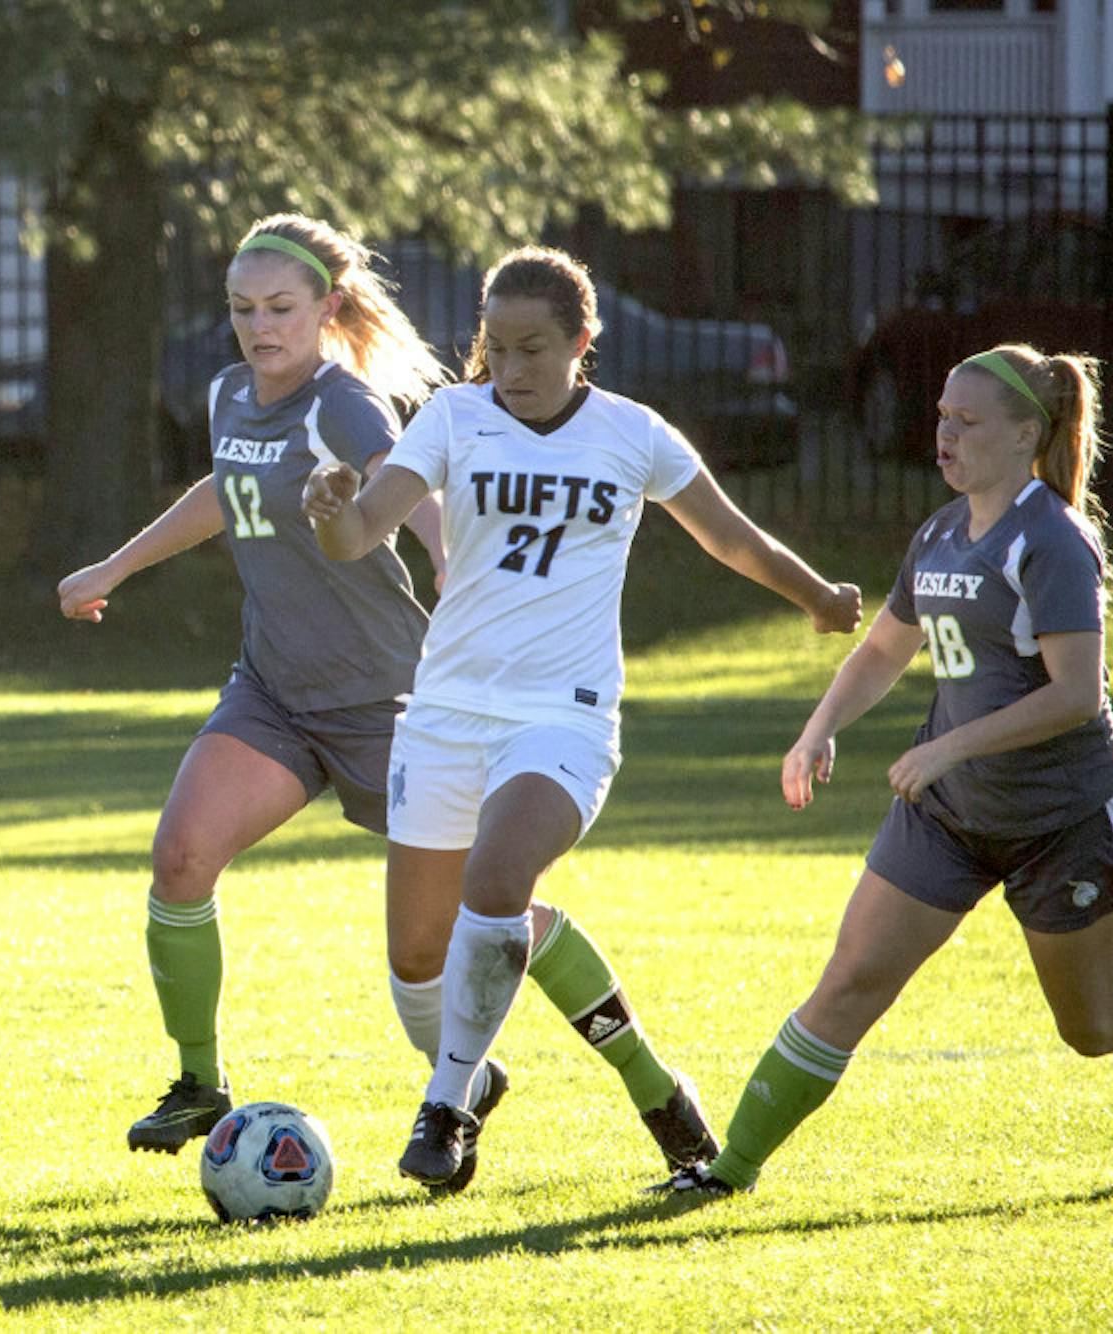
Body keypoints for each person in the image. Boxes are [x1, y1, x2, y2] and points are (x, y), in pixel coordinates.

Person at [59, 217, 727, 1193]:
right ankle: (199, 1082)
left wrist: (450, 554)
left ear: (327, 308)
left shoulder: (344, 404)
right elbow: (226, 485)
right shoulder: (228, 394)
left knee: (498, 918)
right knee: (180, 855)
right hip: (273, 694)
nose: (258, 326)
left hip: (392, 703)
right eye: (241, 309)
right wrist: (116, 563)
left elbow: (407, 485)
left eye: (279, 307)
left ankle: (652, 1083)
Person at [652, 343, 1113, 1202]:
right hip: (949, 816)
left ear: (1029, 432)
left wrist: (948, 744)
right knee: (850, 980)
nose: (943, 435)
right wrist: (818, 730)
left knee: (1094, 1028)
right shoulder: (942, 531)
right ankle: (727, 1172)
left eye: (967, 421)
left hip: (1061, 819)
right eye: (941, 417)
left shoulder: (1052, 541)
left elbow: (1076, 697)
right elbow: (883, 648)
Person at [303, 244, 863, 1188]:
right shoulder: (452, 419)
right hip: (444, 714)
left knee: (497, 879)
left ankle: (444, 1109)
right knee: (419, 969)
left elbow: (731, 537)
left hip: (562, 717)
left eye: (533, 350)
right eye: (496, 348)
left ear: (582, 342)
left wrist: (816, 597)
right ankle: (652, 1086)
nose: (512, 370)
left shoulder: (632, 435)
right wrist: (330, 512)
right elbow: (361, 531)